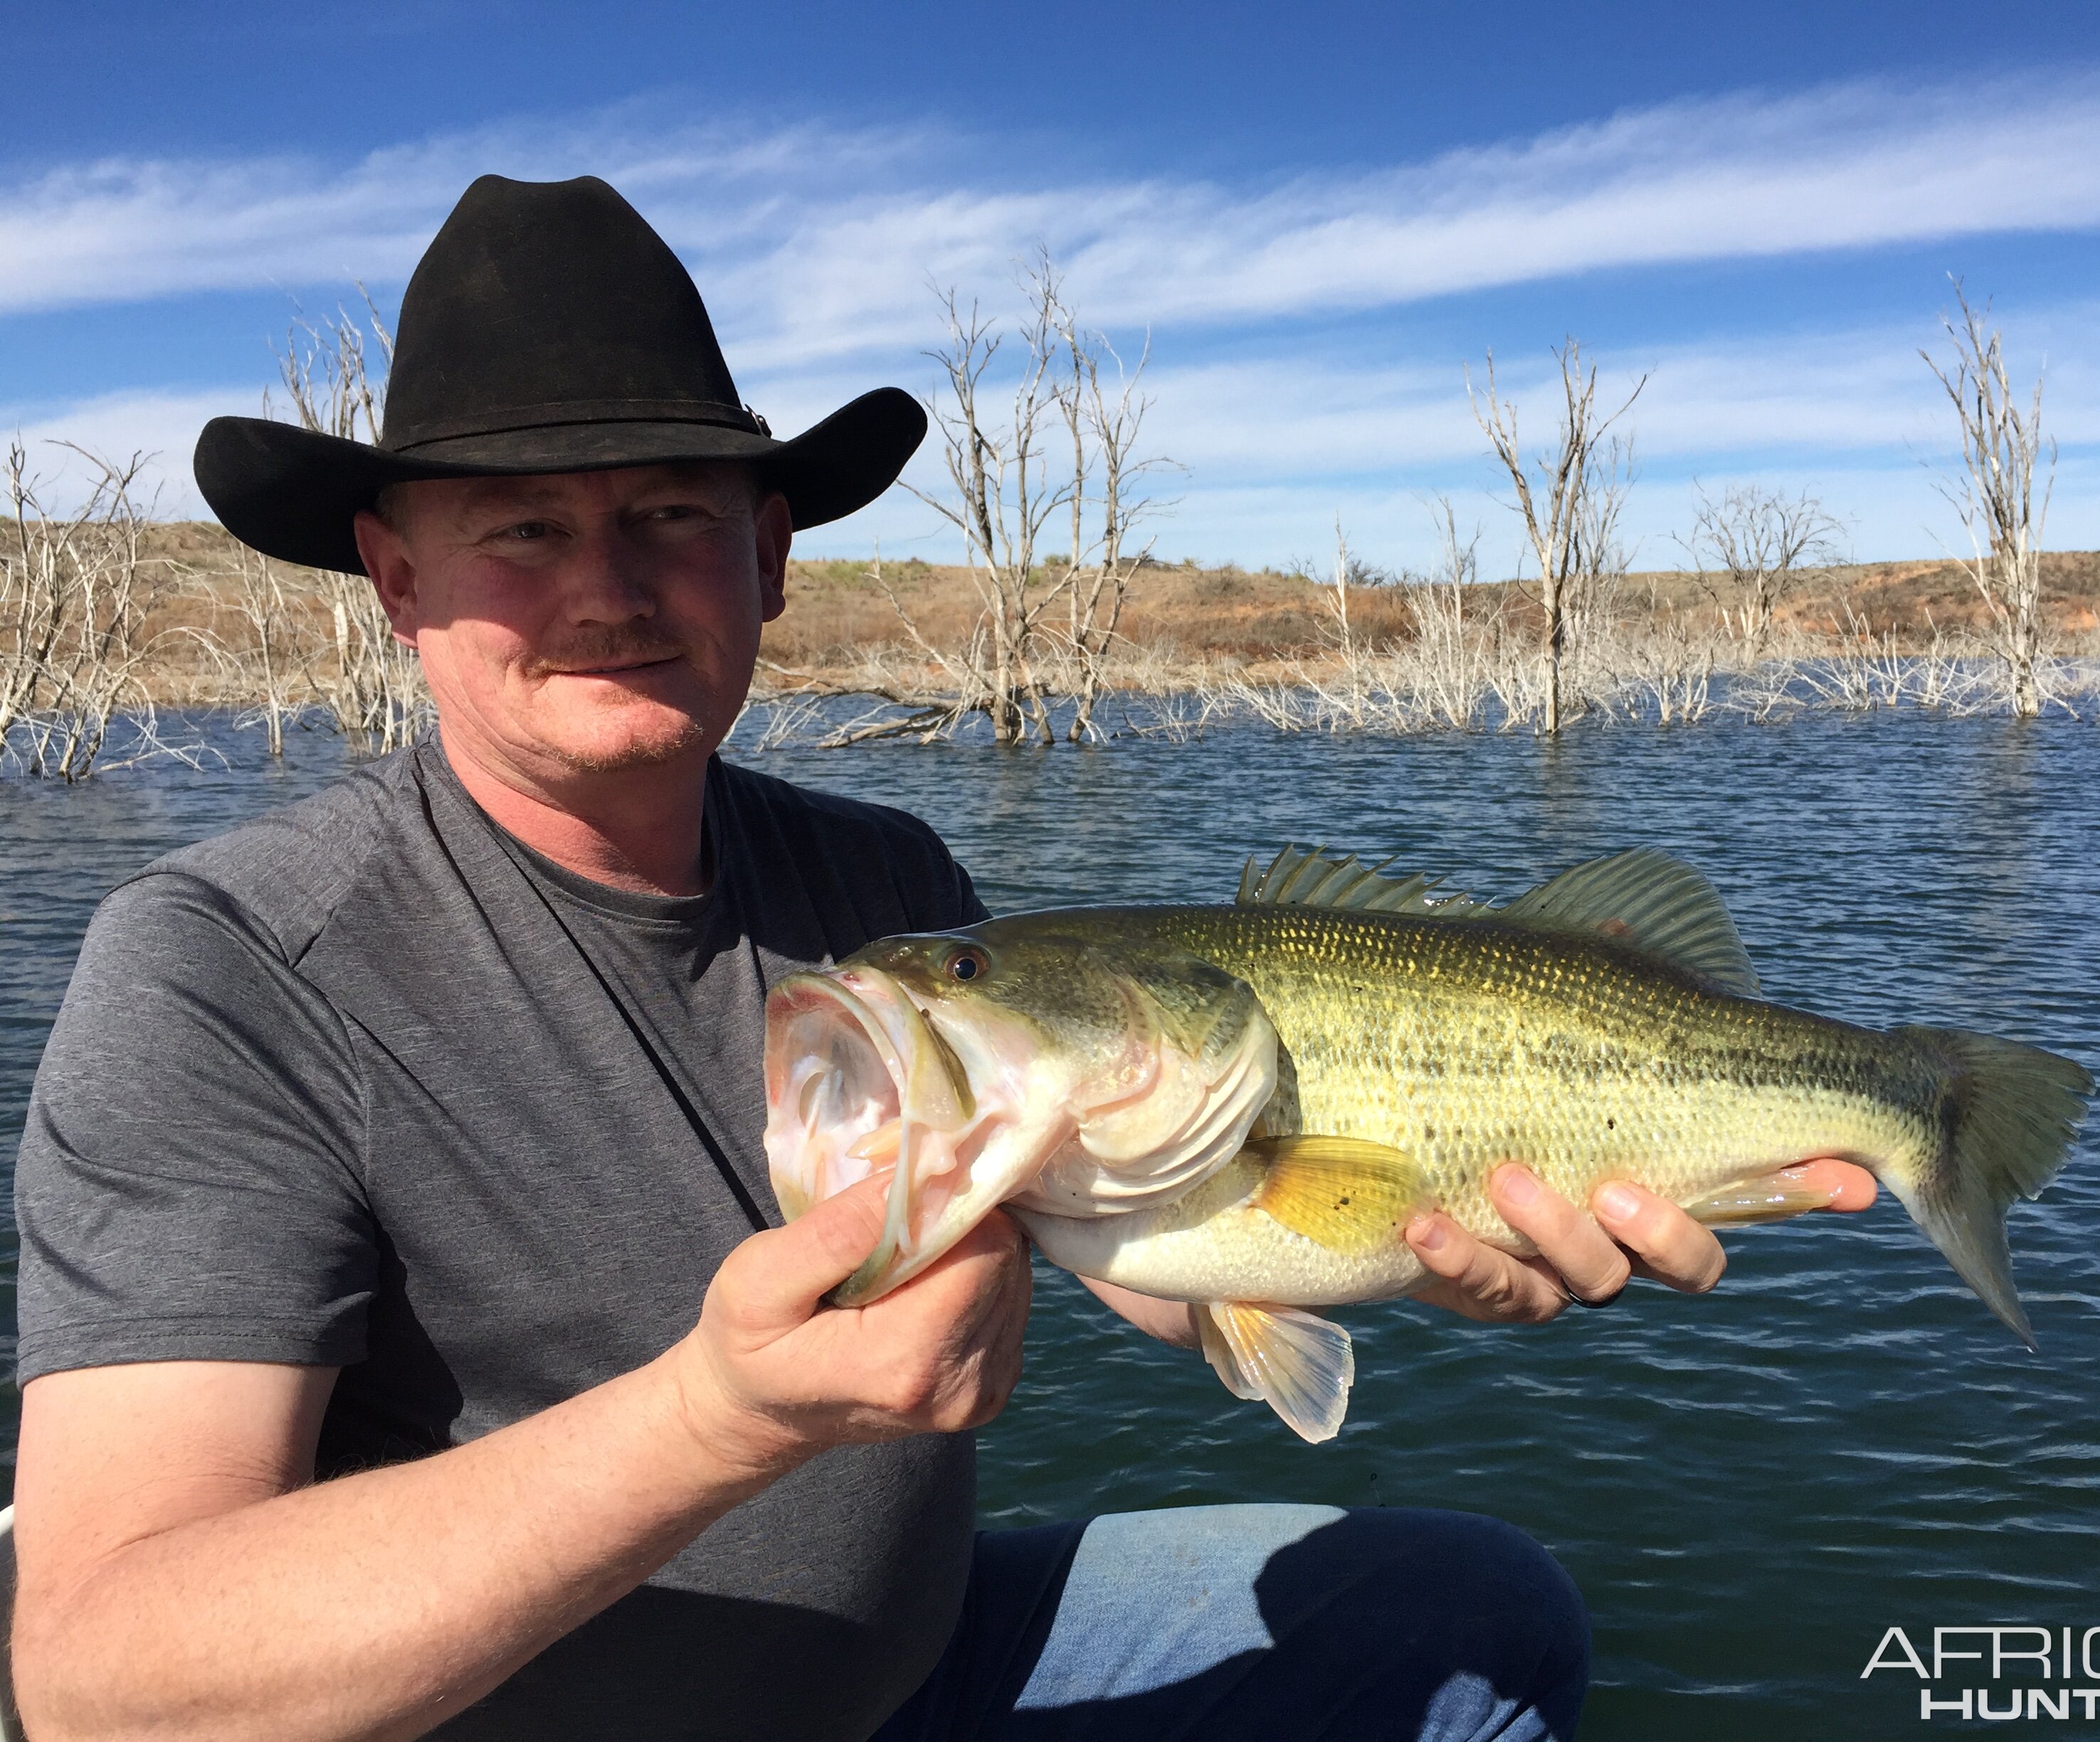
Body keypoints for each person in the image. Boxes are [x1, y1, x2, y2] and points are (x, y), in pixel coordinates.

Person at [7, 175, 1877, 1741]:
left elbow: (1120, 1222)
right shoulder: (225, 969)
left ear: (770, 557)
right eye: (520, 529)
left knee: (1480, 1612)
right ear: (398, 581)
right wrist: (715, 1421)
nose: (606, 583)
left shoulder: (883, 888)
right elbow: (100, 1679)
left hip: (907, 1667)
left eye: (670, 515)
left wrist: (1407, 1240)